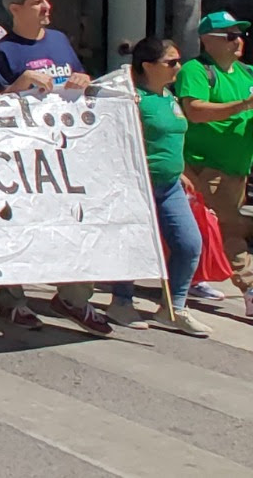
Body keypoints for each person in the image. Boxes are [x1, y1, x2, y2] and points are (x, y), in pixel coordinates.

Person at [0, 0, 107, 334]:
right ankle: (12, 298)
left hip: (66, 154)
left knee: (76, 223)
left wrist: (84, 81)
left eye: (47, 0)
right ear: (15, 9)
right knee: (19, 226)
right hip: (22, 158)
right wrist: (18, 87)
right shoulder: (3, 52)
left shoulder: (59, 40)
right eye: (38, 2)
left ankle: (74, 295)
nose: (47, 7)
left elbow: (80, 81)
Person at [110, 37, 212, 336]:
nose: (178, 67)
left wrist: (179, 170)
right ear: (148, 66)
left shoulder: (169, 96)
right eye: (171, 62)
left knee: (189, 243)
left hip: (169, 186)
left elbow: (170, 138)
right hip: (138, 186)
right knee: (134, 244)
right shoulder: (131, 99)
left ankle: (174, 308)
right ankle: (121, 301)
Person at [174, 11, 253, 315]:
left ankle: (189, 276)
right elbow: (195, 110)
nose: (239, 41)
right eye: (231, 35)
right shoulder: (197, 70)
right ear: (208, 40)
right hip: (206, 167)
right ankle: (249, 288)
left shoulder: (246, 73)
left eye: (241, 34)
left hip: (237, 168)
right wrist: (243, 105)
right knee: (231, 228)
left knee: (205, 227)